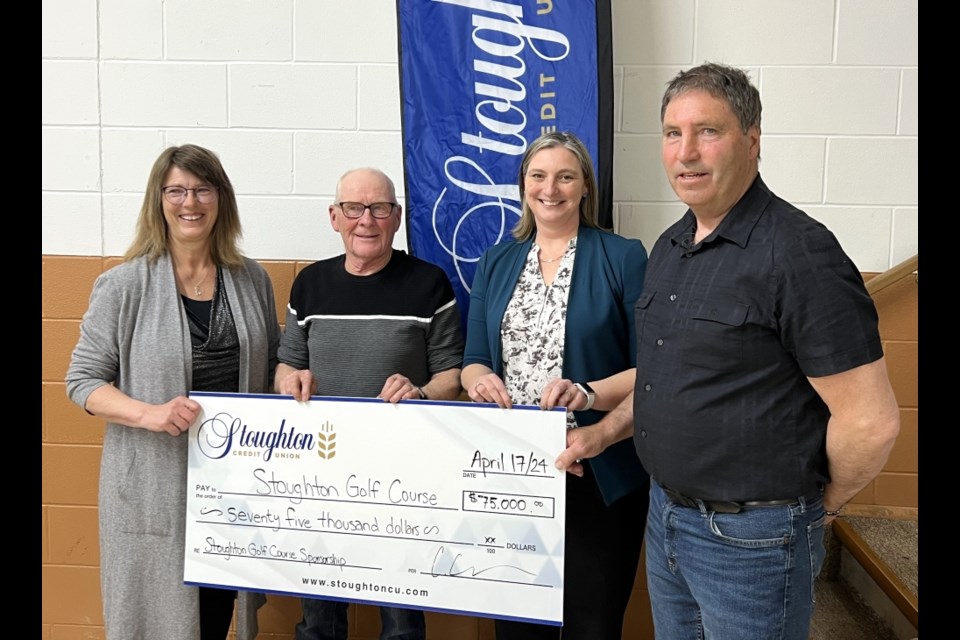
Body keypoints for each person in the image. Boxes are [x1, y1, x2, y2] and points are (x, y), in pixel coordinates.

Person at [556, 63, 902, 639]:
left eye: (707, 131)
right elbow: (669, 374)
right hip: (665, 517)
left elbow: (871, 421)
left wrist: (821, 507)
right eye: (672, 133)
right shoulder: (672, 246)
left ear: (752, 139)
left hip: (754, 541)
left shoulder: (799, 254)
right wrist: (603, 431)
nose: (686, 151)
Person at [66, 144, 280, 640]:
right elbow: (82, 381)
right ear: (157, 200)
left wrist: (288, 376)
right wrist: (148, 414)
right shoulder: (123, 286)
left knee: (216, 615)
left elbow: (269, 363)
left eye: (203, 189)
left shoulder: (251, 279)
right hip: (154, 490)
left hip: (230, 489)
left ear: (220, 199)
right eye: (177, 190)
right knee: (157, 621)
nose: (191, 202)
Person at [461, 131, 649, 640]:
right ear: (523, 185)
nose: (551, 188)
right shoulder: (496, 262)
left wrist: (587, 391)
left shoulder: (624, 256)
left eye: (566, 176)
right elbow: (473, 362)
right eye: (538, 176)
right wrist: (481, 384)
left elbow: (651, 369)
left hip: (598, 466)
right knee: (519, 624)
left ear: (585, 186)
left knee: (593, 620)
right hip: (513, 472)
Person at [275, 167, 464, 640]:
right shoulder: (309, 285)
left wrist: (420, 392)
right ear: (334, 217)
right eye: (354, 208)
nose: (366, 220)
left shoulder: (430, 284)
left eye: (379, 208)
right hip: (320, 473)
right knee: (318, 615)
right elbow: (283, 366)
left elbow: (453, 376)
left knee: (401, 621)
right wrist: (289, 380)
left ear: (396, 217)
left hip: (402, 476)